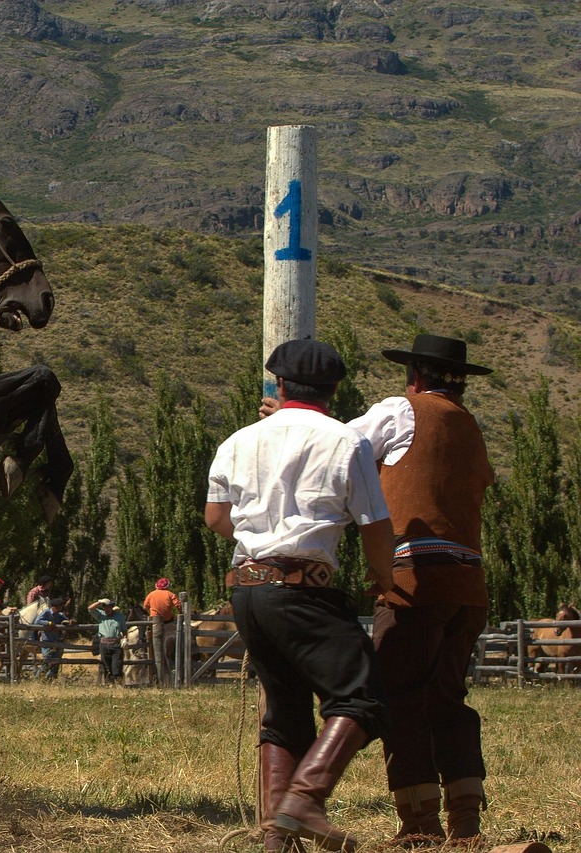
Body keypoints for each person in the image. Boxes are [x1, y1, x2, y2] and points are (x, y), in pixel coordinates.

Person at [204, 339, 396, 853]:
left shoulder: (237, 441)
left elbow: (216, 519)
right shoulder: (346, 442)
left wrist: (259, 548)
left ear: (280, 386)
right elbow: (375, 525)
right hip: (301, 589)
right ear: (335, 390)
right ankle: (305, 800)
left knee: (284, 710)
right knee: (362, 697)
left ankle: (276, 838)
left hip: (247, 591)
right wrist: (384, 576)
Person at [344, 334, 495, 845]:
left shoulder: (400, 412)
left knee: (398, 698)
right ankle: (466, 821)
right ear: (460, 384)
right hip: (468, 587)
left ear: (414, 376)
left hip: (416, 583)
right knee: (447, 698)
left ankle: (419, 822)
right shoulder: (468, 427)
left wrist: (290, 423)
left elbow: (339, 448)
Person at [142, 578, 181, 686]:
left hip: (155, 621)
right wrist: (181, 612)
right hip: (168, 621)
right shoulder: (170, 594)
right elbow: (178, 605)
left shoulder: (151, 594)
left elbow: (145, 606)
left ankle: (142, 648)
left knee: (144, 635)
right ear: (167, 586)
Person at [88, 598, 127, 685]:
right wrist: (99, 602)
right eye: (104, 607)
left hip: (116, 643)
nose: (106, 609)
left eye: (108, 607)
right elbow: (90, 608)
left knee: (117, 664)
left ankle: (119, 682)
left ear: (112, 607)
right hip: (104, 643)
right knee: (106, 665)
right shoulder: (101, 615)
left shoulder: (119, 617)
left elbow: (124, 630)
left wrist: (124, 639)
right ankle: (109, 683)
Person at [33, 597, 71, 680]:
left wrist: (70, 622)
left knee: (56, 661)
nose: (61, 608)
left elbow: (65, 620)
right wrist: (48, 623)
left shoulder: (59, 615)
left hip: (56, 640)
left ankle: (50, 679)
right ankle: (38, 678)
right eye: (60, 606)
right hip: (47, 641)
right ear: (55, 606)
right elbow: (37, 621)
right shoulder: (46, 612)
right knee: (46, 661)